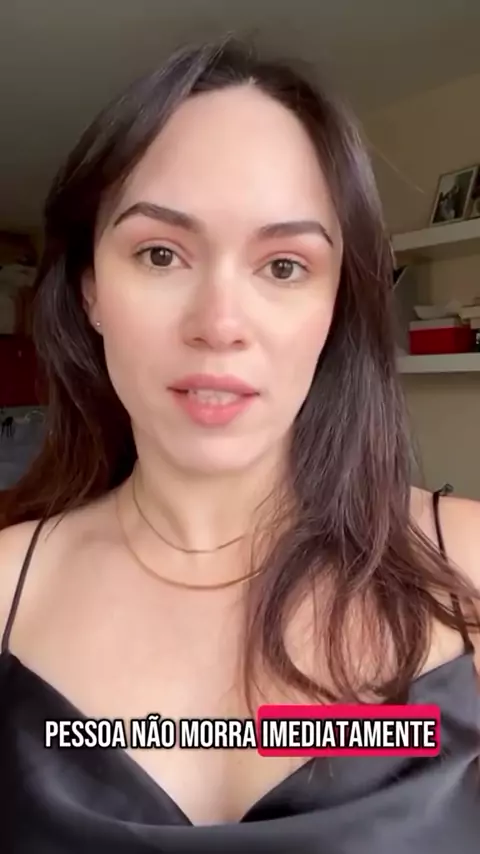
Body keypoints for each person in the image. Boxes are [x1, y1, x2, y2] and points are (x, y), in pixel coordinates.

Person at [0, 37, 479, 854]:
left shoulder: (468, 564)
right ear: (90, 290)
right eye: (160, 254)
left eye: (284, 266)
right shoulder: (8, 584)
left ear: (337, 302)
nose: (220, 325)